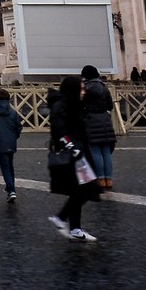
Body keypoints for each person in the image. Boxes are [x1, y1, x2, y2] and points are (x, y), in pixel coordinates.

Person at [46, 76, 103, 242]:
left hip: (78, 153)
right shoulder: (60, 106)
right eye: (81, 88)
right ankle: (63, 219)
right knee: (85, 188)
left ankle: (73, 227)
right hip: (72, 155)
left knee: (81, 190)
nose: (84, 92)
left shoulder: (73, 104)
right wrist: (72, 147)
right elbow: (59, 130)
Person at [79, 64, 117, 189]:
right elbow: (110, 106)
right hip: (105, 120)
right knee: (106, 151)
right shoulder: (104, 88)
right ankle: (108, 179)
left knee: (95, 150)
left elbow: (80, 105)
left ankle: (100, 178)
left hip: (91, 120)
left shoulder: (86, 88)